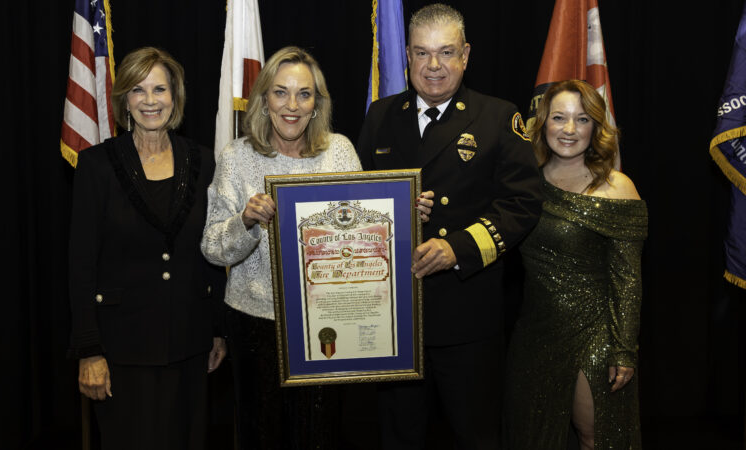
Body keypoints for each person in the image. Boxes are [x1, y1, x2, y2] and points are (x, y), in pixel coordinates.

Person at [356, 4, 543, 449]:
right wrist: (392, 212)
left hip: (466, 314)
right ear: (406, 54)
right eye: (422, 53)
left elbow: (523, 202)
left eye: (445, 52)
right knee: (398, 436)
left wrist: (457, 248)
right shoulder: (380, 115)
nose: (434, 66)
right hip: (394, 316)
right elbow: (355, 199)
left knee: (475, 435)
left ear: (466, 54)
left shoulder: (498, 117)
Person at [201, 46, 368, 450]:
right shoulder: (236, 158)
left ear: (317, 104)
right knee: (260, 434)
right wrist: (245, 221)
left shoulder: (340, 151)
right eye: (280, 92)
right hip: (254, 323)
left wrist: (404, 210)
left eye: (304, 94)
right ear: (264, 99)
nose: (292, 105)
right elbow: (211, 248)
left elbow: (365, 235)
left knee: (320, 433)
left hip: (326, 320)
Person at [67, 47, 227, 450]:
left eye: (160, 89)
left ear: (175, 97)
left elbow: (210, 251)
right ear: (124, 99)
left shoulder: (203, 162)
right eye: (138, 90)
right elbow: (80, 265)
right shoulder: (97, 166)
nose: (150, 101)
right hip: (121, 352)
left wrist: (218, 331)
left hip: (190, 346)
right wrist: (89, 350)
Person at [503, 79, 647, 449]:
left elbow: (627, 281)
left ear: (595, 127)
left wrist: (623, 350)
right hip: (534, 334)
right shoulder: (523, 184)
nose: (569, 129)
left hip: (594, 336)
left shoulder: (616, 188)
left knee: (594, 436)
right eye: (559, 118)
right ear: (543, 123)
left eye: (582, 119)